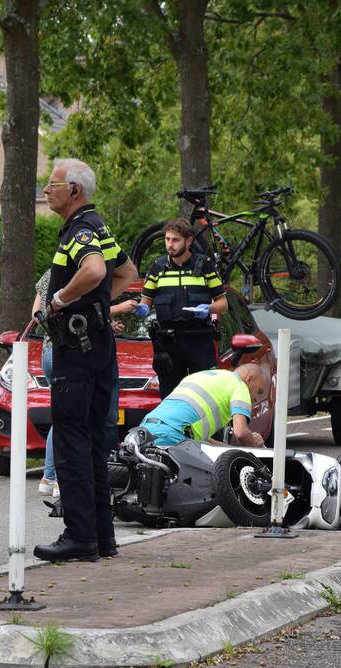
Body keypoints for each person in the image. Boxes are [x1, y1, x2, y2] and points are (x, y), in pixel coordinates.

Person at [33, 158, 137, 563]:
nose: (46, 189)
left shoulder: (79, 231)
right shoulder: (99, 226)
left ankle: (78, 536)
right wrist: (98, 307)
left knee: (72, 440)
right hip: (99, 345)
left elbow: (94, 270)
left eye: (52, 183)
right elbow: (126, 271)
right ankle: (100, 537)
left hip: (76, 350)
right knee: (95, 439)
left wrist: (59, 300)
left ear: (74, 190)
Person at [137, 217, 227, 398]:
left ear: (189, 240)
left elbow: (223, 304)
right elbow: (145, 304)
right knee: (170, 400)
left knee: (204, 397)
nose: (170, 244)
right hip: (169, 344)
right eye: (167, 239)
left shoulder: (205, 266)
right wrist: (141, 310)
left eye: (176, 240)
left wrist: (208, 309)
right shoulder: (157, 268)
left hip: (199, 341)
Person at [138, 364, 270, 448]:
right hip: (173, 435)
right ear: (249, 379)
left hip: (145, 429)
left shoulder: (200, 376)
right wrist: (254, 447)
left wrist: (232, 449)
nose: (255, 398)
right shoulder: (239, 385)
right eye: (258, 391)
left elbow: (206, 442)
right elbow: (241, 432)